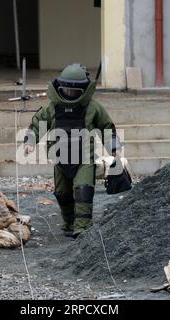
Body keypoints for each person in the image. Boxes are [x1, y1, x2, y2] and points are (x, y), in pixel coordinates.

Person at [24, 64, 121, 239]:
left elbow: (107, 127)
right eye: (66, 90)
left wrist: (113, 148)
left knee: (83, 190)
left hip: (84, 158)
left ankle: (83, 226)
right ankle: (69, 222)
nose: (69, 94)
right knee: (62, 194)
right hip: (60, 158)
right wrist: (30, 142)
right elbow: (37, 124)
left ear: (83, 91)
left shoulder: (93, 107)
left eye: (73, 92)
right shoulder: (52, 108)